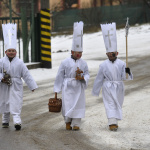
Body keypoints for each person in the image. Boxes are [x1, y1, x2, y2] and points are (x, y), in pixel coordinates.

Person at [92, 22, 133, 131]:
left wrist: (127, 72)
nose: (110, 56)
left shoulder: (122, 64)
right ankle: (112, 122)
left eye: (112, 54)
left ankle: (115, 119)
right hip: (108, 87)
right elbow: (99, 78)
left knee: (117, 103)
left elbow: (125, 78)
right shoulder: (103, 65)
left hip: (118, 86)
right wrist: (96, 90)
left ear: (117, 53)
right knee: (109, 103)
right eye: (108, 54)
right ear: (106, 54)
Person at [0, 23, 38, 130]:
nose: (11, 53)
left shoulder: (20, 63)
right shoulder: (1, 61)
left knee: (16, 103)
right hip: (4, 85)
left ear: (16, 52)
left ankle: (17, 121)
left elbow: (26, 74)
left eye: (13, 51)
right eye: (9, 51)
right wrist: (1, 78)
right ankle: (5, 121)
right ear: (5, 52)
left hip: (16, 85)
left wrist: (32, 85)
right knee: (5, 102)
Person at [54, 21, 90, 131]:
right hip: (68, 86)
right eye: (77, 52)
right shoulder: (65, 62)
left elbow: (87, 73)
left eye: (81, 52)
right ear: (72, 51)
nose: (79, 54)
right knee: (68, 104)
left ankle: (76, 123)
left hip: (78, 87)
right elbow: (60, 75)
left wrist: (83, 78)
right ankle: (67, 121)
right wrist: (57, 89)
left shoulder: (83, 63)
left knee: (78, 104)